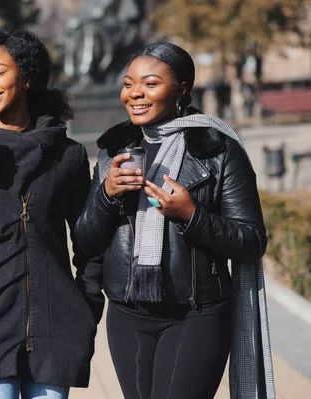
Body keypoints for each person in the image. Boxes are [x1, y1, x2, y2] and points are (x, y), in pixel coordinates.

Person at [74, 42, 270, 399]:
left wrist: (191, 215)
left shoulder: (218, 151)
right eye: (128, 83)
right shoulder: (113, 152)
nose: (135, 93)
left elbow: (252, 240)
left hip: (195, 315)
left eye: (149, 83)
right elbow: (86, 242)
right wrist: (106, 194)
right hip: (127, 313)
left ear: (180, 89)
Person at [0, 28, 103, 399]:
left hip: (56, 325)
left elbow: (88, 239)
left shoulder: (67, 154)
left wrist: (86, 305)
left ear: (26, 78)